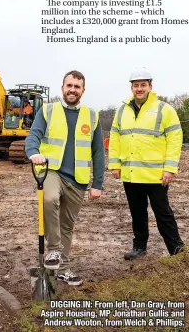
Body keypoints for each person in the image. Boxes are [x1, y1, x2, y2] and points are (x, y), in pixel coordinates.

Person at [25, 70, 105, 286]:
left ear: (83, 91)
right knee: (49, 199)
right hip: (52, 170)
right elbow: (34, 135)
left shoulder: (92, 115)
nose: (72, 90)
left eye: (77, 87)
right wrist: (33, 152)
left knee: (67, 226)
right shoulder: (48, 110)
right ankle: (53, 251)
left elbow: (98, 151)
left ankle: (64, 269)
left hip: (78, 179)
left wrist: (97, 183)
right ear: (62, 88)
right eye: (69, 85)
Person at [108, 68, 184, 260]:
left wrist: (170, 168)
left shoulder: (164, 109)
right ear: (131, 88)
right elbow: (115, 138)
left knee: (162, 212)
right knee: (137, 212)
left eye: (143, 85)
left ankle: (176, 249)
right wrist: (114, 164)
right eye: (136, 85)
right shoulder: (122, 110)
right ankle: (140, 246)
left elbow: (175, 139)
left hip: (156, 175)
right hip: (131, 173)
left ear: (150, 86)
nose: (139, 89)